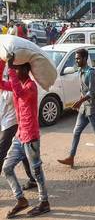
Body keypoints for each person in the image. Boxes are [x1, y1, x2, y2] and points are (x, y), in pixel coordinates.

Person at [0, 57, 50, 218]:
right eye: (13, 70)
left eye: (16, 69)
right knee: (7, 168)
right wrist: (2, 63)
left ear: (24, 71)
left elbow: (19, 93)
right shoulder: (19, 84)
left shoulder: (31, 86)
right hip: (20, 136)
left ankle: (44, 202)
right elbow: (1, 84)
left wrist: (10, 70)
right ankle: (21, 199)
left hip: (31, 137)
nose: (13, 72)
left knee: (36, 171)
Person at [58, 49, 95, 167]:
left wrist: (80, 101)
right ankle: (71, 157)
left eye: (78, 58)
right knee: (76, 132)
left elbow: (92, 92)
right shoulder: (80, 71)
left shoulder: (90, 73)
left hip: (92, 108)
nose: (76, 61)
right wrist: (79, 102)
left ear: (85, 59)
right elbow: (83, 90)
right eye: (75, 59)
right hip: (83, 108)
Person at [0, 82, 37, 191]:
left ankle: (35, 181)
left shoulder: (17, 83)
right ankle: (33, 178)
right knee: (24, 152)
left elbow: (9, 99)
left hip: (13, 123)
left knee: (1, 151)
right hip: (6, 122)